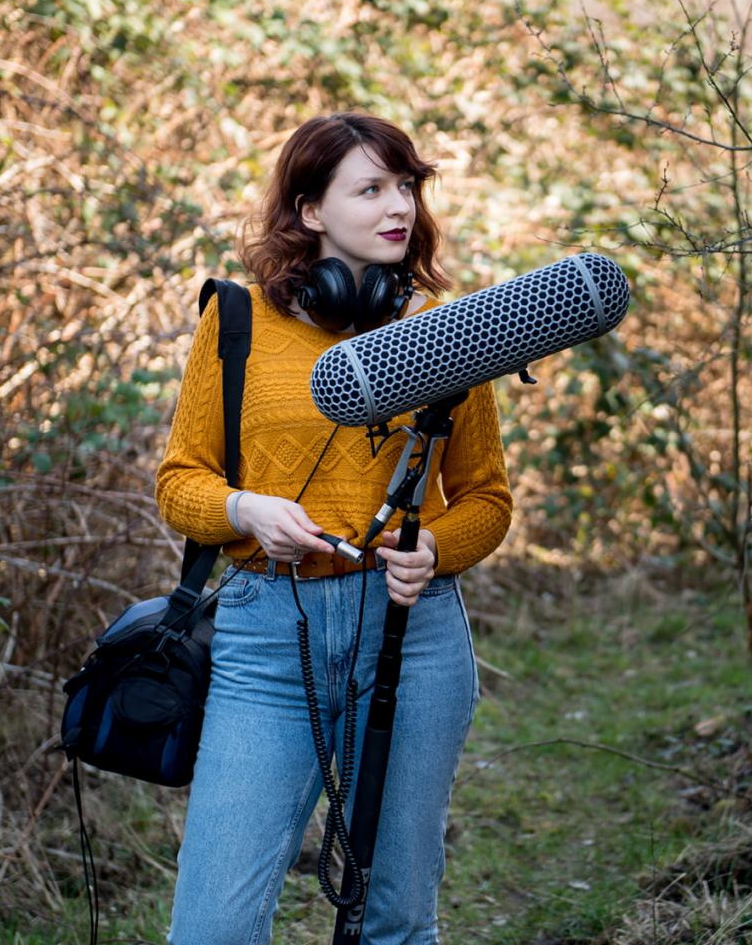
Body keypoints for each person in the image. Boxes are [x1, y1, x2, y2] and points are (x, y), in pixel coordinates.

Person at [155, 112, 513, 945]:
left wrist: (434, 552)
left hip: (410, 641)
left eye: (407, 186)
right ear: (311, 210)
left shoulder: (449, 329)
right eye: (373, 189)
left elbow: (487, 499)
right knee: (211, 928)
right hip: (266, 642)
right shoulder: (237, 323)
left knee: (394, 922)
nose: (401, 207)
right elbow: (180, 482)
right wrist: (244, 510)